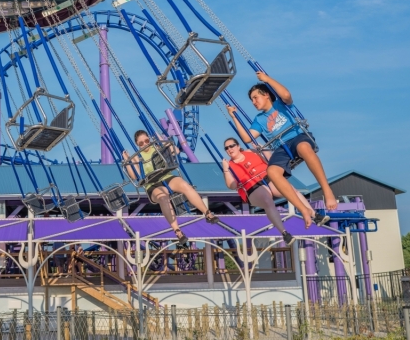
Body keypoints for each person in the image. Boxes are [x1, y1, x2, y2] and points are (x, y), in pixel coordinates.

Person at [227, 71, 337, 227]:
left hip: (297, 136)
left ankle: (327, 191)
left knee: (305, 148)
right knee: (271, 172)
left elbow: (286, 94)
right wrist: (234, 117)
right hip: (280, 147)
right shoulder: (259, 120)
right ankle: (304, 210)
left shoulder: (281, 104)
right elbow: (247, 138)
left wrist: (266, 79)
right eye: (251, 100)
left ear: (266, 95)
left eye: (255, 98)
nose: (253, 102)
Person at [123, 130, 217, 247]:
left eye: (147, 141)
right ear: (137, 145)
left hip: (166, 176)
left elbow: (176, 151)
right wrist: (127, 161)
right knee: (163, 197)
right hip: (152, 184)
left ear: (150, 139)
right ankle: (177, 231)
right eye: (141, 143)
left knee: (185, 186)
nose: (145, 144)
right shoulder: (137, 157)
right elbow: (135, 176)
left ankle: (207, 213)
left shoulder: (157, 147)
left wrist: (164, 141)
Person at [221, 137, 323, 244]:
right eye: (226, 148)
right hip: (251, 186)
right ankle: (284, 233)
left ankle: (314, 214)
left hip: (267, 177)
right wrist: (225, 169)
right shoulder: (229, 165)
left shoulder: (251, 152)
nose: (229, 149)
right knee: (267, 201)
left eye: (231, 146)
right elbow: (232, 185)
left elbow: (270, 160)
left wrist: (262, 149)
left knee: (291, 190)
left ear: (238, 146)